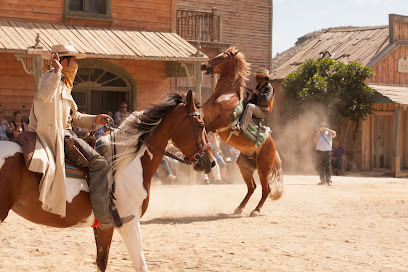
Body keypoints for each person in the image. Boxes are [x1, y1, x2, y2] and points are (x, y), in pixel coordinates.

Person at [28, 42, 134, 229]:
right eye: (73, 61)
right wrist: (56, 70)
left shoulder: (62, 85)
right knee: (99, 164)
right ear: (63, 62)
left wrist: (95, 120)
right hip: (59, 136)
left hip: (67, 132)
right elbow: (44, 96)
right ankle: (104, 218)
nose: (76, 65)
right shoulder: (49, 79)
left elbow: (73, 117)